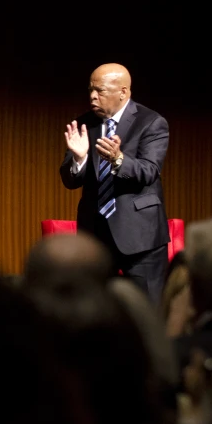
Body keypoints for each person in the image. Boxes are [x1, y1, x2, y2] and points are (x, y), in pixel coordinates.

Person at [60, 62, 170, 303]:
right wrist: (79, 159)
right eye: (90, 90)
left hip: (141, 238)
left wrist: (119, 159)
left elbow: (149, 171)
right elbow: (70, 180)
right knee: (94, 312)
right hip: (95, 239)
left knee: (147, 315)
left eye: (100, 91)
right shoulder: (83, 124)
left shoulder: (151, 122)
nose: (92, 96)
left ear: (123, 92)